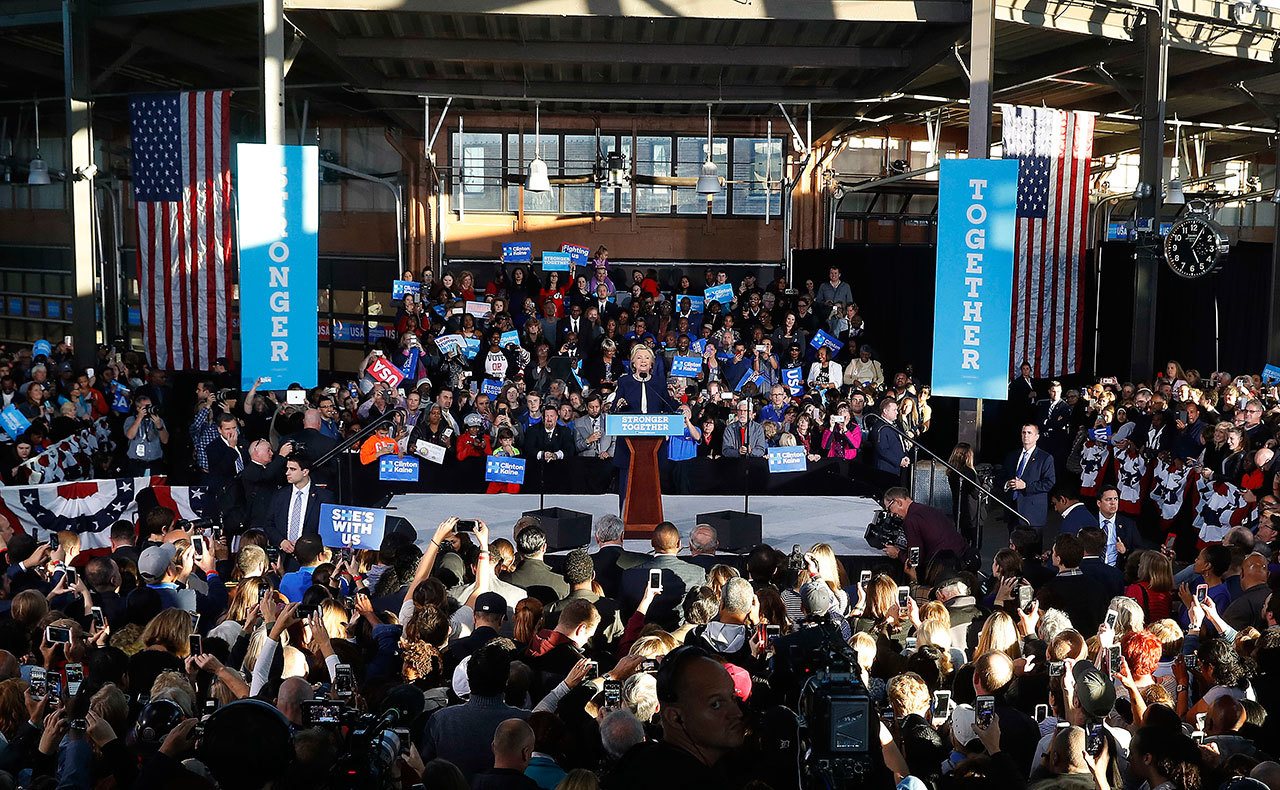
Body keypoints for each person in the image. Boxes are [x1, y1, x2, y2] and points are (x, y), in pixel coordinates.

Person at [880, 487, 969, 569]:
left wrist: (897, 554)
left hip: (946, 565)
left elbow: (915, 560)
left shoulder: (911, 520)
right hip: (962, 554)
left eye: (889, 508)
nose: (891, 514)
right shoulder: (927, 509)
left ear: (898, 502)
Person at [264, 456, 336, 552]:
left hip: (312, 556)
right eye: (287, 469)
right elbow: (268, 524)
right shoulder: (280, 495)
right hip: (284, 556)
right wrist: (281, 541)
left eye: (292, 469)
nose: (287, 473)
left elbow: (329, 529)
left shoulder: (325, 497)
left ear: (305, 472)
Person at [1001, 423, 1056, 529]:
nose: (1026, 435)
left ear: (1037, 436)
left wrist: (1026, 486)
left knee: (1032, 544)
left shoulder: (1045, 458)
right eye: (1024, 432)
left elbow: (1049, 483)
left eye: (1029, 433)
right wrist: (1007, 484)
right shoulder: (1012, 456)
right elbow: (1002, 476)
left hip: (1032, 514)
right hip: (1013, 510)